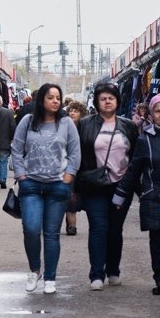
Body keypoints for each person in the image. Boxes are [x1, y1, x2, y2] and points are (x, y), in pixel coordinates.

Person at [112, 93, 160, 295]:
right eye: (157, 111)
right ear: (151, 114)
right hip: (154, 195)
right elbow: (134, 170)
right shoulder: (144, 140)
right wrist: (120, 194)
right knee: (157, 241)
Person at [11, 83, 80, 294]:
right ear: (41, 99)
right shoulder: (27, 121)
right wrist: (21, 175)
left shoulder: (66, 123)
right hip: (30, 184)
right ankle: (35, 270)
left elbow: (75, 151)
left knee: (51, 234)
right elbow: (16, 147)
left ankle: (50, 277)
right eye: (50, 97)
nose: (55, 101)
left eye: (58, 98)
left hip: (58, 185)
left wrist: (69, 175)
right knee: (31, 229)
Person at [76, 82, 137, 291]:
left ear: (118, 101)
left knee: (114, 230)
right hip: (94, 185)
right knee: (98, 228)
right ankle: (96, 274)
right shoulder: (84, 124)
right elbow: (78, 155)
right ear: (97, 102)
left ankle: (113, 270)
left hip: (121, 186)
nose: (107, 101)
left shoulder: (128, 125)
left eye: (111, 97)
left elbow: (135, 156)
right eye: (103, 98)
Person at [65, 100, 88, 236]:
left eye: (76, 110)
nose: (72, 113)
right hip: (65, 165)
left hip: (80, 166)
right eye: (71, 110)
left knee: (72, 195)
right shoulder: (63, 126)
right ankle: (70, 224)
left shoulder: (84, 127)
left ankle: (71, 225)